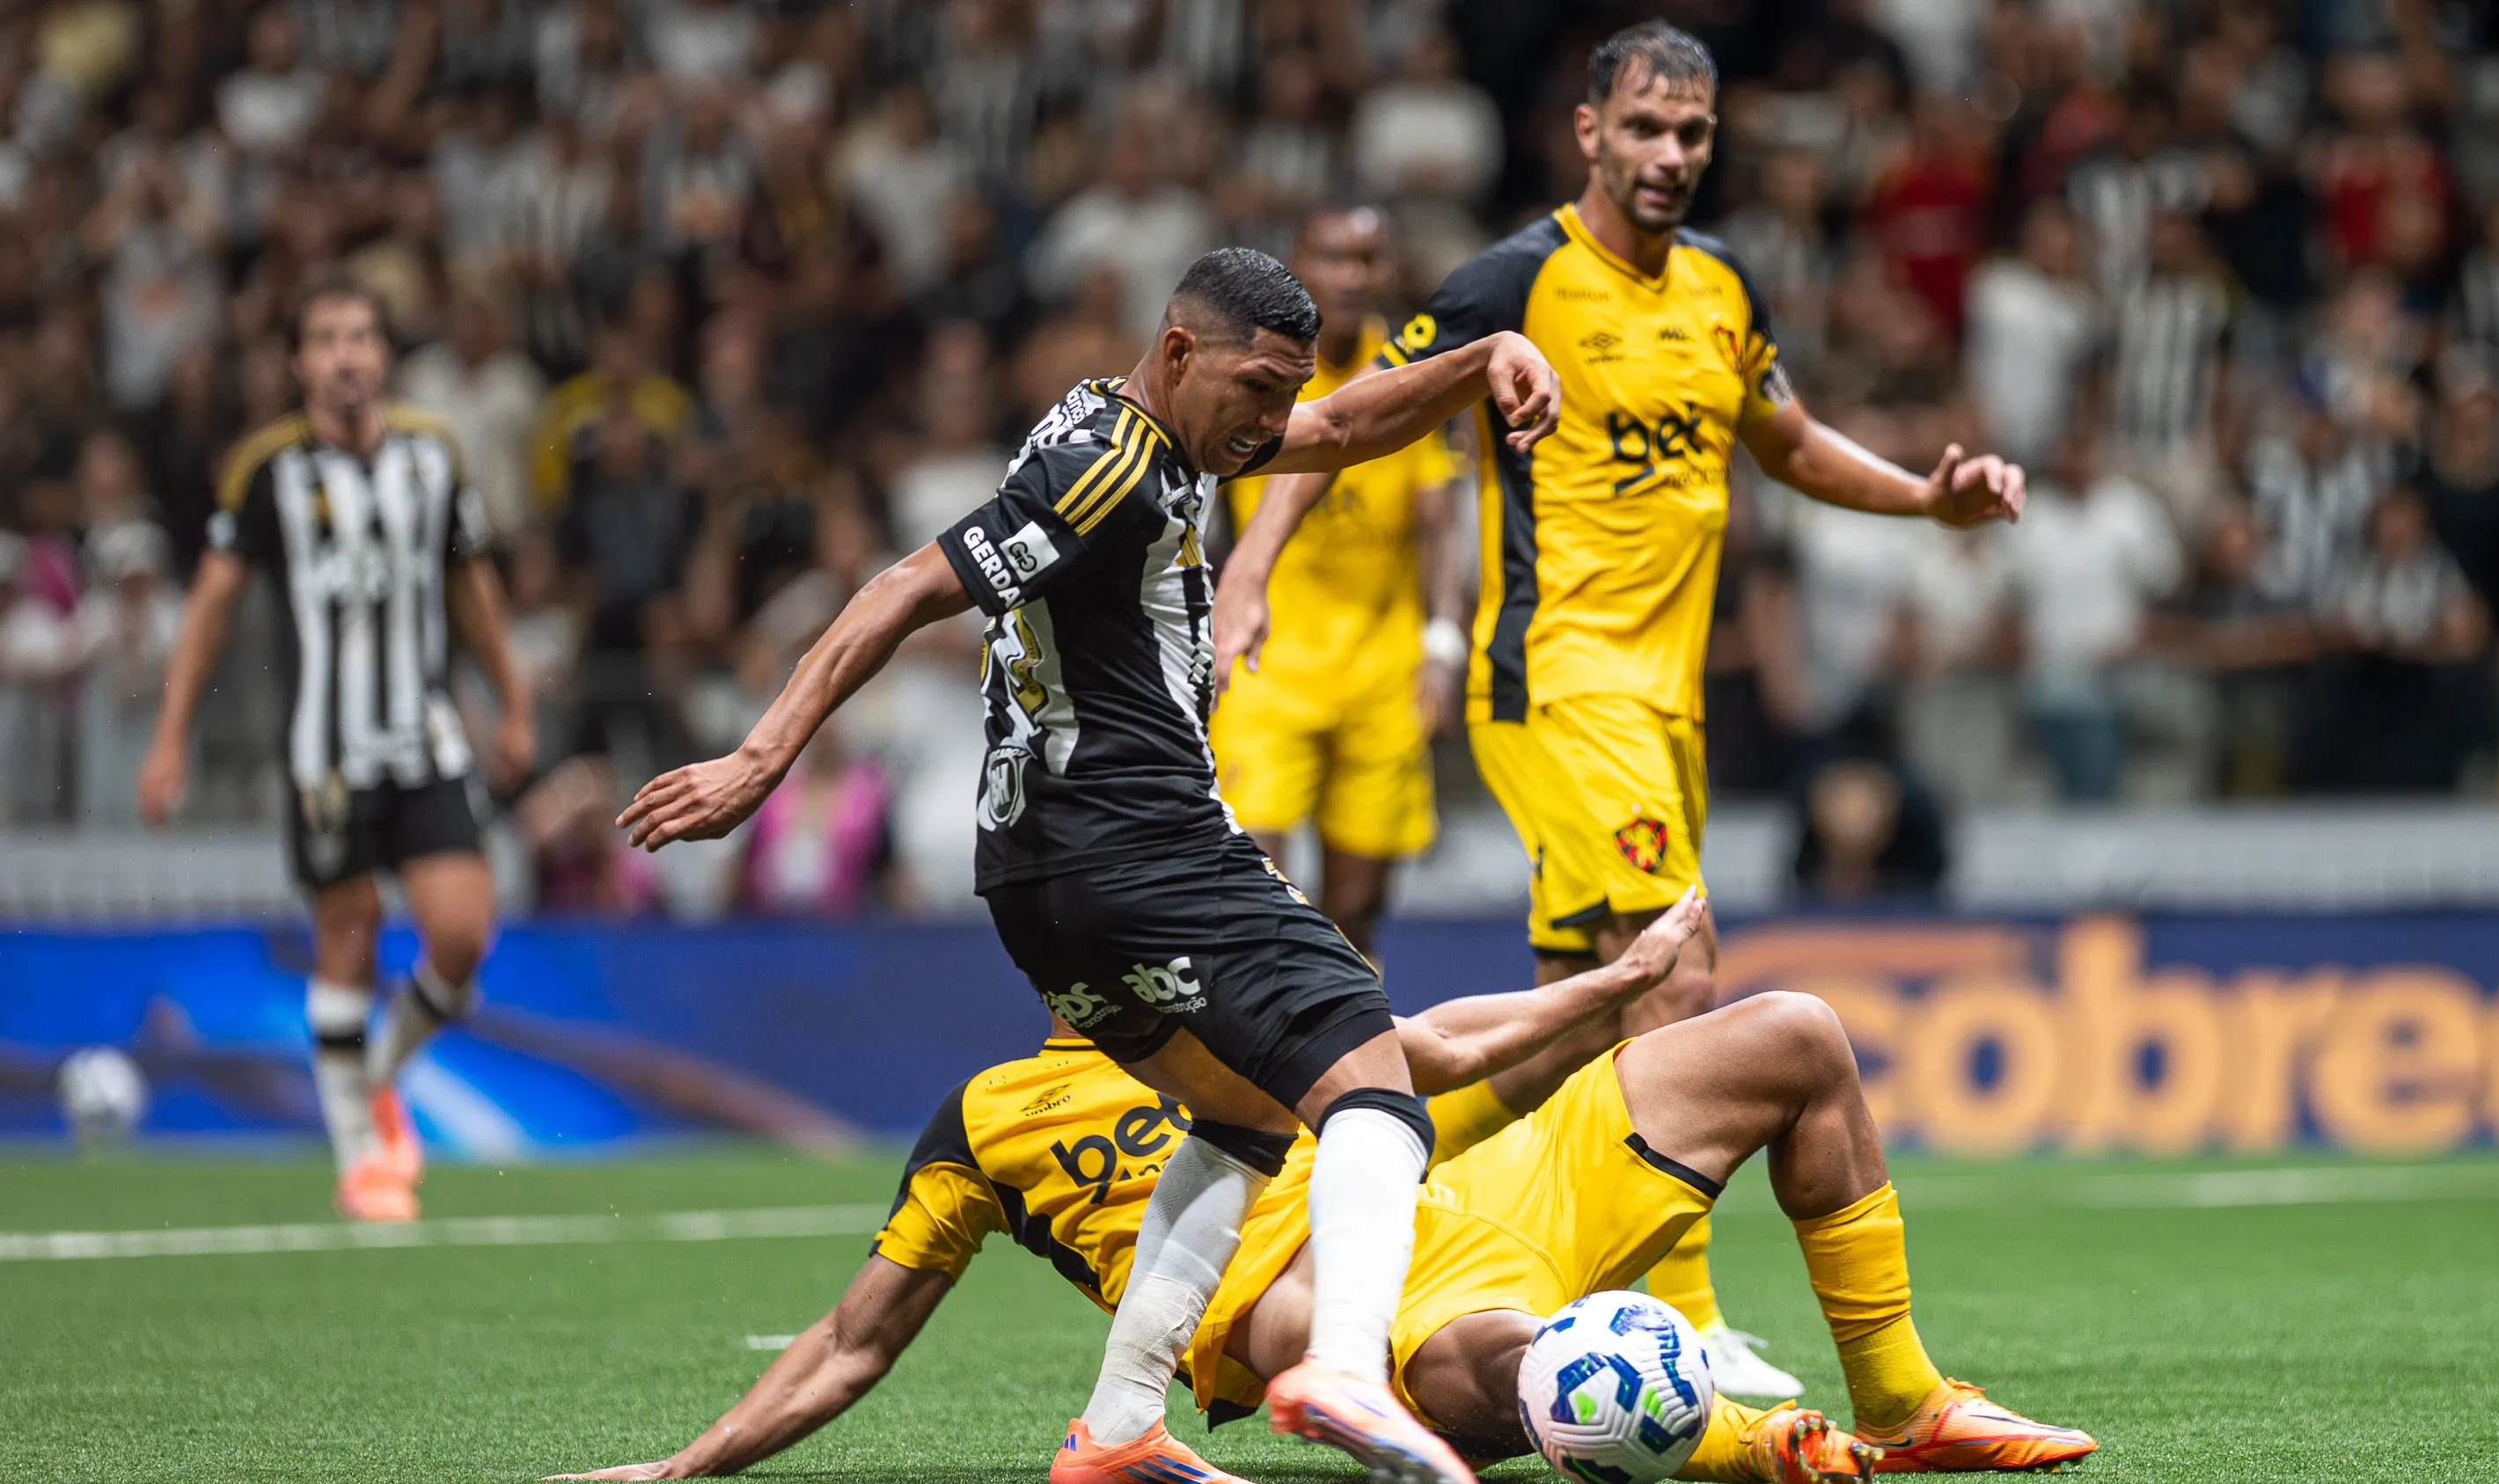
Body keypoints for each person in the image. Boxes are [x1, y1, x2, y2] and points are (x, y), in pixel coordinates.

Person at [617, 246, 1564, 1484]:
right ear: (1179, 353)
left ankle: (1118, 1426)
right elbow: (906, 584)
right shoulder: (1103, 465)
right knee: (1367, 1064)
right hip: (1136, 840)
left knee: (1247, 1106)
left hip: (1041, 877)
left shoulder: (1165, 430)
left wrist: (1484, 358)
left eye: (1283, 393)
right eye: (1258, 389)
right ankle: (1341, 1361)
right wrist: (760, 757)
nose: (1275, 421)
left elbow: (1338, 425)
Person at [1214, 21, 2022, 1400]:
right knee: (1676, 965)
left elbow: (1789, 439)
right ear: (1588, 133)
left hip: (1667, 700)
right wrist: (1248, 563)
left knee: (1568, 1024)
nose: (1669, 157)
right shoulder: (1516, 279)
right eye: (1644, 130)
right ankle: (1683, 1310)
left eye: (1692, 135)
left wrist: (1925, 497)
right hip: (1557, 674)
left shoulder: (1721, 287)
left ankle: (1359, 1196)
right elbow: (1352, 414)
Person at [542, 894, 2096, 1482]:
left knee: (1796, 1036)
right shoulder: (990, 1120)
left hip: (1473, 1187)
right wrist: (682, 1474)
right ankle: (1771, 1453)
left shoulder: (1233, 1005)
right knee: (1526, 1366)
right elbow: (855, 1337)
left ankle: (1902, 1403)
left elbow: (1432, 1043)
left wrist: (1611, 989)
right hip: (1325, 1305)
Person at [136, 273, 535, 1223]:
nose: (347, 355)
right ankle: (362, 1159)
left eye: (362, 336)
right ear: (298, 362)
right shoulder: (268, 469)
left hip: (428, 737)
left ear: (384, 354)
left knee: (461, 937)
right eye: (326, 339)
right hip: (326, 752)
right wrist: (168, 737)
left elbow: (471, 586)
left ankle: (374, 1081)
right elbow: (211, 606)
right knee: (346, 936)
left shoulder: (434, 456)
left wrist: (511, 701)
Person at [1207, 201, 1465, 960]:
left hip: (1381, 673)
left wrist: (1443, 643)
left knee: (1358, 909)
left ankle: (1345, 1067)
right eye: (1333, 258)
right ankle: (1255, 1070)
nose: (1351, 277)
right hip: (1266, 668)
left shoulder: (1414, 375)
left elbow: (1440, 523)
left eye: (1368, 260)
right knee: (1254, 895)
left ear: (1390, 270)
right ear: (1298, 263)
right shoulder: (1259, 369)